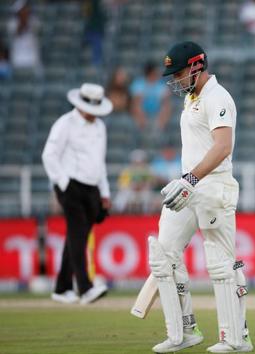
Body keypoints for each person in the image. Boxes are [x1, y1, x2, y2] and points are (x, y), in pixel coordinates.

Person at [148, 41, 252, 353]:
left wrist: (191, 178)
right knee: (164, 255)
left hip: (212, 187)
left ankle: (237, 338)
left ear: (196, 66)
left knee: (222, 265)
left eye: (178, 73)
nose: (175, 80)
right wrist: (186, 181)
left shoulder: (218, 96)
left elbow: (223, 147)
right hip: (188, 188)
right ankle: (184, 331)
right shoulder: (192, 97)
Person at [42, 83, 112, 305]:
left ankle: (62, 288)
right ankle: (85, 288)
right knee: (78, 234)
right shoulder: (66, 123)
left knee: (77, 236)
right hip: (70, 186)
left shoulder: (100, 127)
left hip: (92, 188)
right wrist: (63, 183)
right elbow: (49, 155)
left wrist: (105, 192)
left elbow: (99, 162)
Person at [130, 61, 172, 145]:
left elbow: (166, 102)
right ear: (151, 73)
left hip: (157, 114)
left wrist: (161, 119)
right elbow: (135, 103)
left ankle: (159, 127)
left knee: (166, 106)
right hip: (143, 114)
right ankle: (143, 128)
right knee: (137, 104)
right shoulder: (139, 84)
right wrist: (142, 117)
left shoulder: (161, 85)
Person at [6, 0, 42, 76]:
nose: (24, 11)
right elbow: (17, 32)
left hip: (33, 58)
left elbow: (38, 30)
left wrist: (26, 18)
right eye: (22, 10)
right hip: (17, 59)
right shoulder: (12, 23)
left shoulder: (34, 21)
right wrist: (22, 19)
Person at [112, 149, 153, 213]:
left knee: (147, 195)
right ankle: (118, 212)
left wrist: (142, 186)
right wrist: (132, 186)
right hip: (130, 191)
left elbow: (150, 183)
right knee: (122, 195)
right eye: (136, 162)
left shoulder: (147, 171)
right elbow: (122, 185)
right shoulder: (127, 171)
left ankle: (147, 214)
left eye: (140, 161)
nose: (138, 164)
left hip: (143, 191)